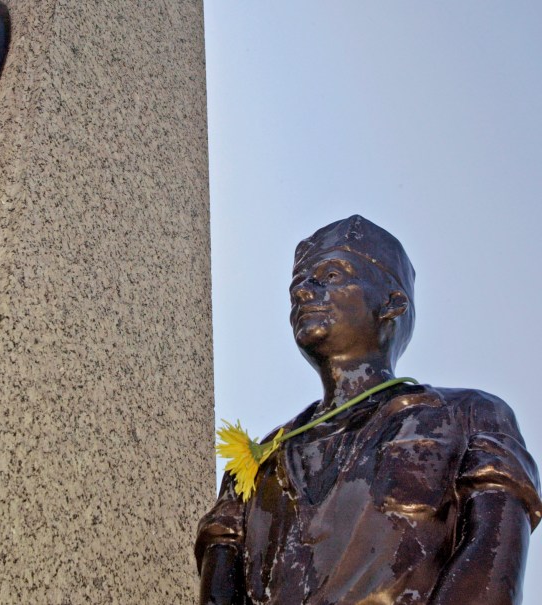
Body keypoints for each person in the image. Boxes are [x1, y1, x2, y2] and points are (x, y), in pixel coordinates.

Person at [196, 215, 541, 605]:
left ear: (392, 303)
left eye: (329, 275)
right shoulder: (254, 466)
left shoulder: (469, 417)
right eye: (298, 285)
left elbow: (492, 563)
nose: (303, 293)